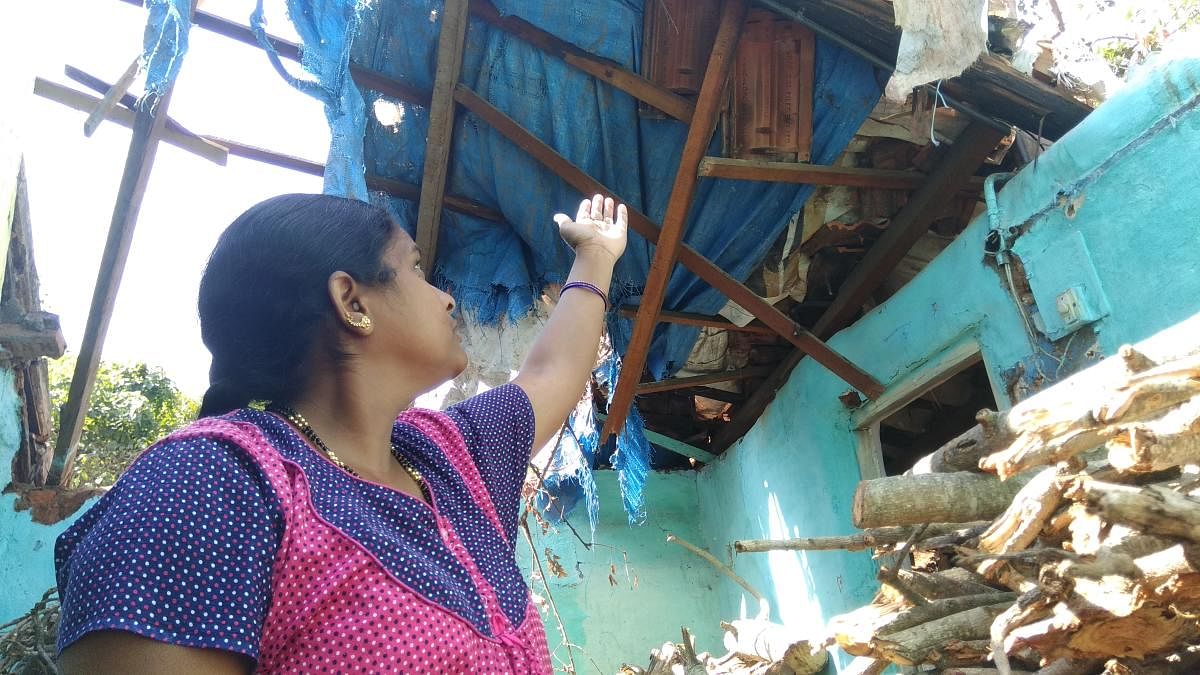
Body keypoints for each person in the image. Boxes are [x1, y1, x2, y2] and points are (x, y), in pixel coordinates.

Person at [54, 192, 628, 674]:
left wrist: (596, 255)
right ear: (352, 301)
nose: (446, 296)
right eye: (417, 269)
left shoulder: (446, 460)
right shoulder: (214, 482)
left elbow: (551, 373)